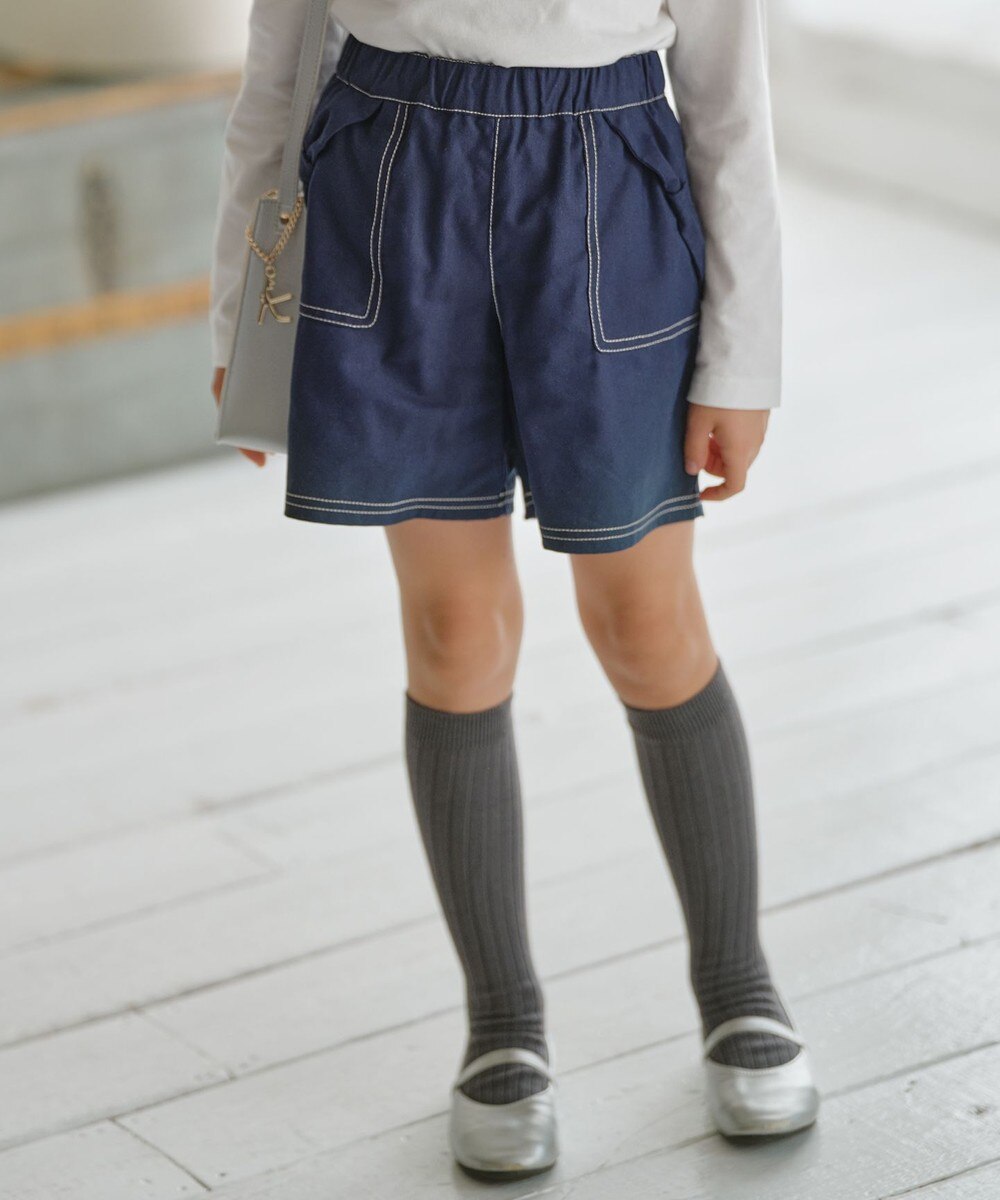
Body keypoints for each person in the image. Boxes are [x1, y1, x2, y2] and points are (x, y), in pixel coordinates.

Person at [209, 0, 820, 1181]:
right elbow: (276, 84)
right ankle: (501, 1022)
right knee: (452, 632)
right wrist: (248, 310)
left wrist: (742, 359)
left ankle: (738, 984)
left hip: (608, 196)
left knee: (648, 625)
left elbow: (729, 105)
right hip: (388, 203)